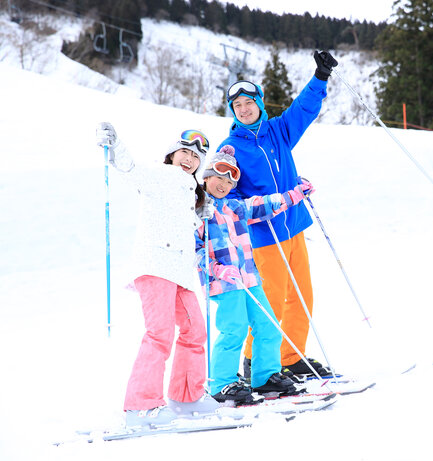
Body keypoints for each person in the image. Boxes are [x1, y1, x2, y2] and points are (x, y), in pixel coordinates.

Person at [216, 50, 338, 379]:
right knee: (270, 303)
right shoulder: (230, 149)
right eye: (237, 106)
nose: (244, 109)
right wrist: (277, 198)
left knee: (301, 297)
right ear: (233, 110)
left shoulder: (278, 131)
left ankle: (291, 357)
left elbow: (304, 110)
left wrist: (320, 78)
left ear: (259, 103)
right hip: (264, 237)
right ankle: (257, 362)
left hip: (294, 228)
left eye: (248, 103)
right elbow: (230, 197)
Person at [96, 123, 219, 427]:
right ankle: (141, 407)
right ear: (171, 154)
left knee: (195, 330)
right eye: (184, 152)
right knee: (159, 334)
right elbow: (131, 169)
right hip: (154, 265)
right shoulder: (160, 175)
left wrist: (199, 212)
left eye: (196, 156)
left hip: (180, 273)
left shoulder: (192, 190)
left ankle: (186, 396)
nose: (189, 159)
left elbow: (183, 221)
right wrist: (115, 145)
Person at [195, 145, 314, 402]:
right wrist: (217, 269)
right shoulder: (199, 210)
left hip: (249, 277)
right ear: (206, 177)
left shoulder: (235, 207)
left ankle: (264, 376)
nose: (224, 185)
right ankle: (222, 383)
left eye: (230, 181)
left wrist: (294, 195)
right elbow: (195, 250)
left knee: (268, 325)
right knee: (234, 329)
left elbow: (264, 205)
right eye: (219, 177)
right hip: (224, 283)